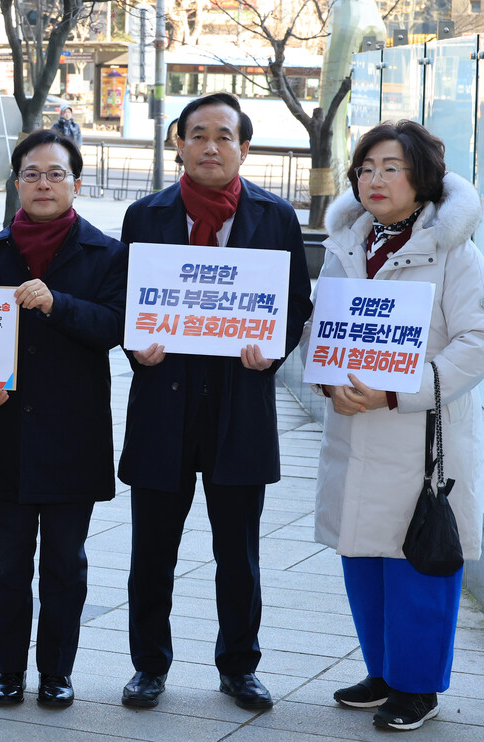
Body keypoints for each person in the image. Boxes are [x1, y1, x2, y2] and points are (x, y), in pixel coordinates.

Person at [116, 93, 312, 711]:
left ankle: (239, 666)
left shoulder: (275, 218)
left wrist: (271, 351)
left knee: (240, 554)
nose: (210, 147)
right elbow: (124, 300)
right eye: (197, 134)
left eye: (224, 136)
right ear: (178, 142)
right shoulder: (145, 216)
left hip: (239, 407)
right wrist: (135, 347)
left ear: (244, 148)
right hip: (162, 405)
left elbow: (295, 306)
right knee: (152, 551)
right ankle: (149, 665)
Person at [300, 121, 484, 731]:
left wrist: (398, 391)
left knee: (420, 559)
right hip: (353, 422)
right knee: (364, 554)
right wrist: (328, 380)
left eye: (391, 168)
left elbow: (477, 341)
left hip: (417, 432)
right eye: (366, 168)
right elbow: (321, 327)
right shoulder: (348, 244)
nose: (375, 180)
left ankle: (419, 686)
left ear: (423, 177)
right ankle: (382, 671)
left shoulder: (454, 248)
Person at [0, 129, 127, 707]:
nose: (42, 184)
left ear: (76, 185)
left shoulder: (106, 252)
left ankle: (57, 672)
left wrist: (57, 303)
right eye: (31, 174)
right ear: (16, 184)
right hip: (4, 433)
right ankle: (7, 670)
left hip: (72, 436)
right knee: (8, 564)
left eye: (55, 174)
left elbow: (114, 327)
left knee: (65, 565)